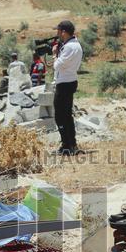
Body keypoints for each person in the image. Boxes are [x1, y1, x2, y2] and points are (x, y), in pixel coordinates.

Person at [52, 20, 83, 155]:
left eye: (58, 31)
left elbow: (57, 65)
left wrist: (54, 54)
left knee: (60, 116)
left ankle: (66, 145)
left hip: (64, 83)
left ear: (64, 32)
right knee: (66, 115)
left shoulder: (69, 47)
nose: (57, 34)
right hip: (69, 81)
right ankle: (71, 143)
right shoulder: (74, 45)